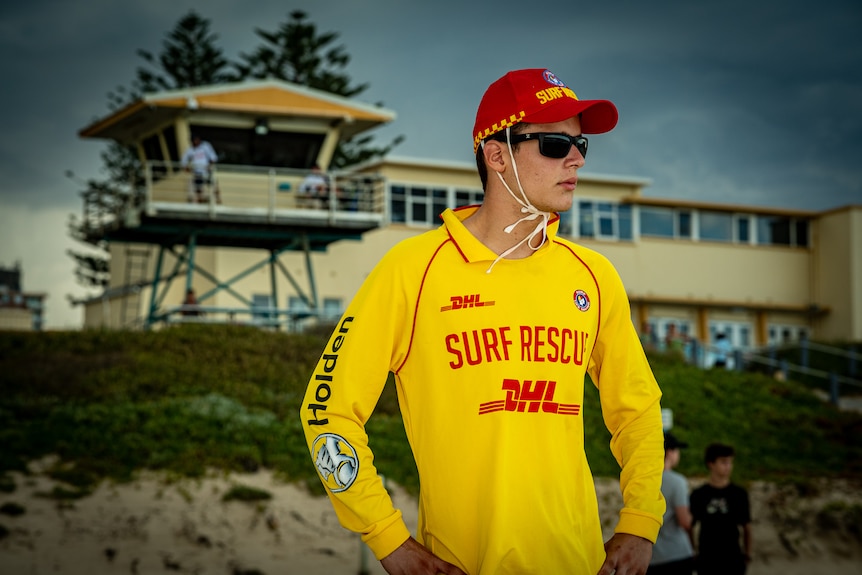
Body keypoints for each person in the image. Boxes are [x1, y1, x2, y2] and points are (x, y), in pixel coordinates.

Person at [300, 68, 665, 575]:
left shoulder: (594, 275)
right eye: (556, 144)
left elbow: (638, 409)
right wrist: (387, 538)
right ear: (497, 154)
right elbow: (327, 410)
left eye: (580, 143)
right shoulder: (412, 269)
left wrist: (641, 521)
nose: (577, 158)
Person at [689, 443, 752, 575]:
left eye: (730, 462)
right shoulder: (699, 494)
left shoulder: (739, 494)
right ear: (711, 464)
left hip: (733, 556)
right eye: (723, 462)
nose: (728, 467)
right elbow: (690, 526)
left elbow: (746, 526)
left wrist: (747, 553)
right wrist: (693, 551)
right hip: (707, 558)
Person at [647, 433, 694, 575]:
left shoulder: (645, 481)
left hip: (652, 557)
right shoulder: (677, 482)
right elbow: (684, 521)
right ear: (670, 452)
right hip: (676, 554)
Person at [181, 134, 219, 203]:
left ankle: (217, 200)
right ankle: (200, 201)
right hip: (197, 172)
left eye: (197, 140)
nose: (196, 142)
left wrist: (209, 165)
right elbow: (183, 161)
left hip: (207, 171)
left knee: (214, 185)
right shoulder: (190, 150)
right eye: (194, 140)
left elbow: (213, 158)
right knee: (198, 189)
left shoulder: (205, 146)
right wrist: (187, 168)